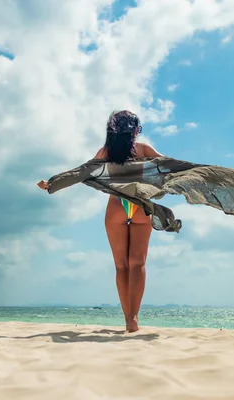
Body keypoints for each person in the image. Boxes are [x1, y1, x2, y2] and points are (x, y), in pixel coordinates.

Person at [37, 110, 163, 333]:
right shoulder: (144, 149)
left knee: (121, 265)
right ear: (133, 131)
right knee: (138, 263)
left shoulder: (106, 151)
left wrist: (52, 184)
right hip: (141, 205)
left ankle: (127, 319)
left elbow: (80, 172)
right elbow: (169, 167)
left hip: (117, 206)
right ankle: (134, 319)